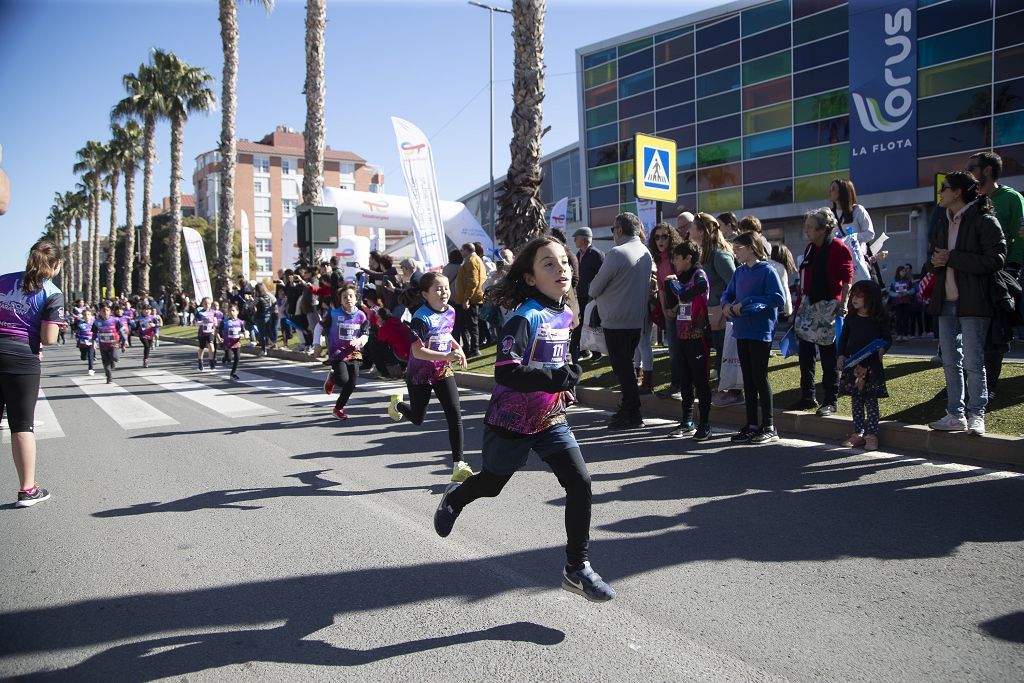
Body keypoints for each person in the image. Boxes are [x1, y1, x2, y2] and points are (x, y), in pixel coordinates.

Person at [432, 236, 615, 603]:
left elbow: (554, 362)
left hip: (549, 419)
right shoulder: (524, 316)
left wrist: (564, 386)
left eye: (564, 261)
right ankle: (456, 496)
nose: (561, 268)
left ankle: (575, 568)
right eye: (548, 263)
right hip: (510, 421)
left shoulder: (565, 313)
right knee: (492, 484)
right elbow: (506, 372)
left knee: (580, 483)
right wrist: (554, 379)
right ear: (530, 278)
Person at [927, 171, 1006, 436]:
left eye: (944, 188)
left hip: (974, 301)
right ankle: (955, 414)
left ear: (958, 192)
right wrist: (936, 261)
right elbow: (935, 257)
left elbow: (996, 260)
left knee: (973, 360)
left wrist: (952, 258)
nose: (940, 193)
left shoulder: (985, 221)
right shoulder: (942, 221)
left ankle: (976, 414)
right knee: (949, 360)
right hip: (945, 301)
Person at [387, 272, 470, 482]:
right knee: (417, 418)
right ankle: (397, 405)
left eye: (446, 288)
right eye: (438, 289)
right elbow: (417, 352)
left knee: (454, 414)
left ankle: (458, 464)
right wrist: (447, 354)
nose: (444, 292)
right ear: (425, 294)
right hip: (420, 374)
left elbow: (446, 333)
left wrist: (457, 347)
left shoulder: (451, 311)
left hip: (442, 370)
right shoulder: (420, 318)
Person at [0, 240, 63, 507]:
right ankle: (27, 490)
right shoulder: (51, 292)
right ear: (57, 265)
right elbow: (49, 338)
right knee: (21, 425)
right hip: (22, 359)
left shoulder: (3, 280)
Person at [588, 212, 654, 430]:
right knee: (627, 368)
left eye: (612, 230)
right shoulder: (645, 251)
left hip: (616, 321)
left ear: (619, 230)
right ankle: (627, 409)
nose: (613, 234)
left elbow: (594, 288)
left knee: (623, 370)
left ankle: (632, 412)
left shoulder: (617, 252)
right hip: (636, 320)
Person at [967, 151, 1024, 398]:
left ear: (987, 170)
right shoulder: (971, 200)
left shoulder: (1011, 198)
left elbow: (1019, 235)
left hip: (1000, 275)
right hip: (972, 275)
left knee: (995, 331)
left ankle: (989, 385)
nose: (969, 171)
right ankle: (970, 382)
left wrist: (1013, 268)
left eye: (972, 167)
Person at [721, 231, 786, 444]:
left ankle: (768, 425)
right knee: (747, 379)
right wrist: (727, 306)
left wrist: (749, 301)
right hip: (742, 329)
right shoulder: (739, 272)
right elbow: (727, 295)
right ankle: (751, 425)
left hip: (760, 331)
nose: (735, 252)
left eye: (738, 248)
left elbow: (778, 298)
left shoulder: (767, 270)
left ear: (751, 247)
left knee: (759, 376)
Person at [792, 208, 854, 417]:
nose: (806, 230)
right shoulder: (811, 248)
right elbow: (804, 280)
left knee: (828, 354)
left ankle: (831, 399)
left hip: (828, 307)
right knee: (805, 354)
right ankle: (807, 394)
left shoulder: (838, 247)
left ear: (822, 229)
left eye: (810, 227)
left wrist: (842, 303)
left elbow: (847, 278)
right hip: (808, 307)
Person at [685, 213, 739, 406]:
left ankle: (733, 392)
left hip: (723, 314)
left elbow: (734, 283)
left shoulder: (718, 253)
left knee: (729, 353)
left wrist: (727, 306)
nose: (688, 230)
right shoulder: (704, 252)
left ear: (701, 231)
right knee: (719, 353)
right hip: (711, 313)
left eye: (692, 226)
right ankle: (723, 388)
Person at [662, 240, 713, 441]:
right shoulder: (680, 277)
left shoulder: (698, 275)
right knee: (685, 381)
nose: (673, 261)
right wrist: (671, 284)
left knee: (701, 381)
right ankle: (687, 421)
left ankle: (705, 424)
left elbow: (687, 292)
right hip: (682, 335)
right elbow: (674, 299)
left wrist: (674, 283)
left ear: (688, 259)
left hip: (698, 336)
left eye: (676, 257)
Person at [837, 280, 892, 451]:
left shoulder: (879, 319)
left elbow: (887, 338)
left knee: (871, 401)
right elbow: (843, 340)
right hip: (854, 365)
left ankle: (872, 434)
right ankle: (858, 432)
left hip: (872, 367)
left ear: (871, 297)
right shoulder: (851, 318)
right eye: (853, 294)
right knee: (856, 401)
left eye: (860, 295)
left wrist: (883, 349)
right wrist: (841, 355)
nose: (854, 298)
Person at [322, 282, 369, 420]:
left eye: (350, 296)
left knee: (352, 383)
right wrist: (317, 344)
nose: (348, 299)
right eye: (344, 297)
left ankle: (338, 408)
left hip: (354, 352)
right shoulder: (334, 314)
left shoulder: (361, 315)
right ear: (340, 299)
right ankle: (333, 378)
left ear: (356, 298)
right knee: (343, 380)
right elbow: (320, 327)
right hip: (337, 351)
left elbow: (366, 332)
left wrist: (359, 341)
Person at [648, 222, 682, 396]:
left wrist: (675, 308)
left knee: (683, 350)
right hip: (669, 309)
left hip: (683, 308)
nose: (660, 240)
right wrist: (665, 309)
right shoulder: (659, 259)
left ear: (671, 237)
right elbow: (661, 288)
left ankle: (684, 385)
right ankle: (676, 385)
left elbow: (685, 285)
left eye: (664, 236)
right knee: (673, 350)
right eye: (657, 237)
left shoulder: (676, 256)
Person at [829, 178, 876, 284]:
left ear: (843, 191)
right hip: (839, 261)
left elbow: (870, 233)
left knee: (860, 292)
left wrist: (851, 238)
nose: (830, 191)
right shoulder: (829, 214)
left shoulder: (858, 210)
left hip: (858, 261)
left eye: (833, 188)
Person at [570, 227, 604, 362]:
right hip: (580, 296)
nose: (574, 240)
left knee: (593, 324)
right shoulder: (577, 255)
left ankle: (596, 353)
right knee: (580, 324)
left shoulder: (597, 254)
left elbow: (602, 276)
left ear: (583, 239)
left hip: (593, 297)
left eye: (576, 238)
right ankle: (580, 351)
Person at [454, 243, 486, 357]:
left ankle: (474, 349)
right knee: (470, 325)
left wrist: (466, 299)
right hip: (472, 298)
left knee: (470, 326)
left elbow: (472, 282)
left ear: (467, 250)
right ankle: (470, 348)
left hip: (470, 300)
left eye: (462, 250)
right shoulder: (474, 259)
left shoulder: (471, 261)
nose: (461, 252)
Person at [92, 303, 121, 384]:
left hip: (113, 343)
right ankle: (109, 377)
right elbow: (94, 333)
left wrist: (124, 340)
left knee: (115, 357)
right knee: (105, 362)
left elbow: (120, 330)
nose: (105, 312)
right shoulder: (97, 321)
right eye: (103, 311)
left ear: (110, 311)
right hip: (103, 344)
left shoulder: (115, 320)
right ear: (100, 312)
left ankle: (113, 361)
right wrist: (93, 341)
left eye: (107, 310)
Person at [217, 304, 246, 380]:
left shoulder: (240, 322)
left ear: (237, 312)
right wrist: (220, 338)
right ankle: (225, 357)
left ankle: (233, 373)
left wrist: (245, 334)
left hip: (236, 342)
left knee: (237, 357)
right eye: (230, 311)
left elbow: (244, 331)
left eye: (233, 310)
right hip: (227, 343)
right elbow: (218, 331)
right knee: (229, 358)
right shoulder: (225, 322)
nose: (231, 312)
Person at [888, 265, 915, 341]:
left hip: (906, 302)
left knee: (906, 318)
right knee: (898, 318)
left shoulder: (908, 281)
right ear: (898, 272)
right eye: (902, 271)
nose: (904, 273)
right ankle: (899, 334)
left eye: (904, 271)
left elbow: (913, 290)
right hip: (897, 302)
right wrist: (897, 294)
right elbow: (890, 292)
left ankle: (906, 334)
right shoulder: (894, 282)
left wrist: (907, 292)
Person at [134, 302, 162, 369]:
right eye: (145, 309)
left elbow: (159, 325)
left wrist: (155, 325)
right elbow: (135, 327)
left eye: (148, 309)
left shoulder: (153, 317)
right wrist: (133, 327)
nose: (147, 311)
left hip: (150, 335)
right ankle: (146, 360)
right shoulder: (138, 318)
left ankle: (145, 358)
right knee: (146, 346)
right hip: (142, 335)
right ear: (142, 310)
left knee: (148, 347)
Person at [195, 297, 218, 371]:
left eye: (208, 303)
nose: (207, 305)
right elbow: (195, 323)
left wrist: (215, 324)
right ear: (202, 304)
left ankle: (211, 361)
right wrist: (202, 322)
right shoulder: (199, 312)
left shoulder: (213, 312)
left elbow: (215, 321)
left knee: (211, 345)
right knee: (202, 348)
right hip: (202, 332)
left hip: (210, 331)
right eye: (205, 303)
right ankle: (200, 361)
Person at [75, 308, 96, 375]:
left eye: (88, 314)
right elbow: (77, 334)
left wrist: (95, 340)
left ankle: (91, 369)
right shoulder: (80, 324)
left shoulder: (94, 324)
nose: (87, 316)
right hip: (83, 343)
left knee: (90, 356)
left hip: (91, 343)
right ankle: (83, 355)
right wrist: (82, 337)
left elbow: (97, 333)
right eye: (85, 315)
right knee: (83, 357)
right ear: (83, 316)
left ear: (91, 316)